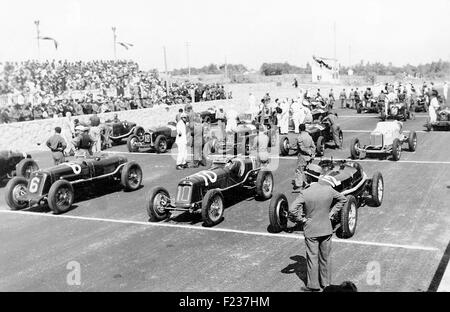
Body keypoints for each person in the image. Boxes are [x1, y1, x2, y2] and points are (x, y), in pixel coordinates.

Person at [289, 169, 347, 291]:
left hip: (311, 230)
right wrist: (331, 213)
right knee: (325, 257)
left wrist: (301, 219)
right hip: (326, 228)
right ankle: (326, 284)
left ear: (309, 178)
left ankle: (313, 286)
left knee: (312, 258)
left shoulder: (305, 193)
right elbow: (343, 199)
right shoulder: (328, 189)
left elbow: (292, 210)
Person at [292, 124, 316, 190]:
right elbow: (313, 146)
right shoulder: (309, 136)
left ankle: (299, 186)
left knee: (299, 171)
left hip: (302, 156)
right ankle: (308, 184)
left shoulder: (299, 137)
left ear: (299, 129)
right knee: (308, 170)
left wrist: (308, 152)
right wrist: (312, 154)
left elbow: (302, 148)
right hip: (309, 157)